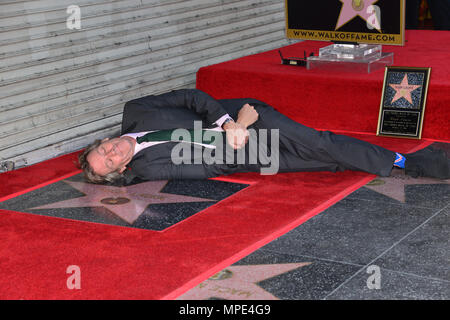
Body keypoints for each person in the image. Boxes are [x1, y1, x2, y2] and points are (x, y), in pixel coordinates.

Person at [78, 89, 449, 185]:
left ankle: (413, 164)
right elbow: (207, 169)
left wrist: (231, 123)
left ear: (103, 140)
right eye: (110, 161)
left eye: (104, 148)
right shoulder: (147, 168)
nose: (112, 151)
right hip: (247, 155)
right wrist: (234, 144)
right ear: (122, 166)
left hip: (248, 117)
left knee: (319, 142)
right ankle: (400, 161)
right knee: (326, 160)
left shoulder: (136, 111)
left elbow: (191, 97)